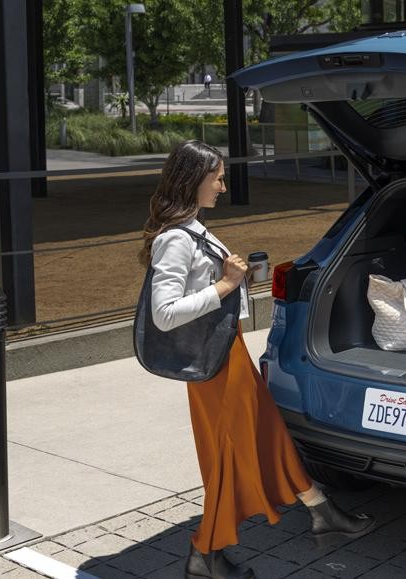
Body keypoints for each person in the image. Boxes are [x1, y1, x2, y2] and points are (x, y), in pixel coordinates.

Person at [140, 140, 374, 579]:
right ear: (193, 180)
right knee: (228, 456)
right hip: (212, 367)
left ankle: (321, 508)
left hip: (229, 354)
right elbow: (164, 313)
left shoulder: (192, 228)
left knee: (266, 434)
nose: (223, 187)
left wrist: (238, 279)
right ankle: (204, 553)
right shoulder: (174, 239)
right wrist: (228, 285)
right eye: (218, 178)